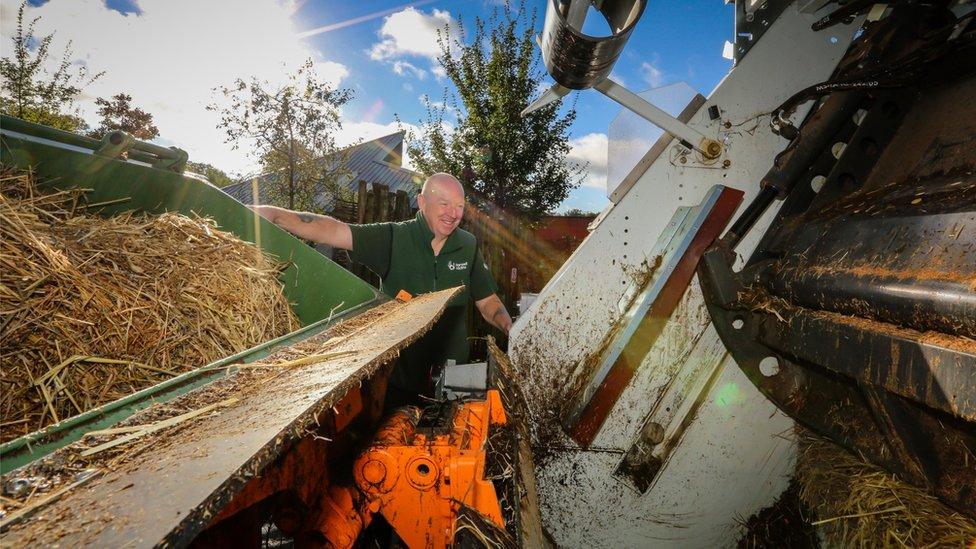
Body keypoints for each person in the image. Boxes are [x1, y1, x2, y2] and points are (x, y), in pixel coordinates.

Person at [250, 172, 512, 406]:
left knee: (463, 452)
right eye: (443, 204)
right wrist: (275, 215)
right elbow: (335, 231)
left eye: (459, 206)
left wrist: (511, 328)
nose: (452, 214)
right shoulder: (394, 238)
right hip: (400, 380)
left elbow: (488, 302)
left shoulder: (467, 245)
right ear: (422, 203)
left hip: (457, 379)